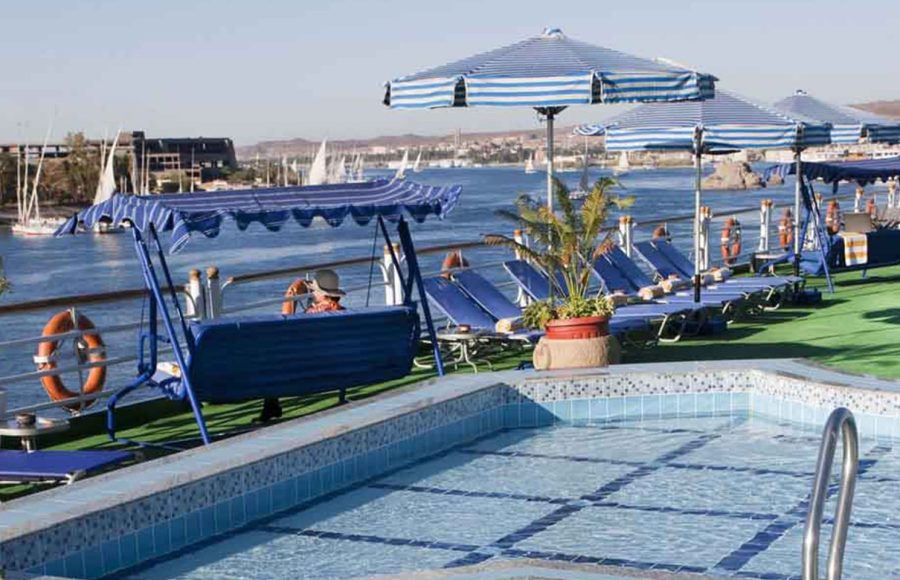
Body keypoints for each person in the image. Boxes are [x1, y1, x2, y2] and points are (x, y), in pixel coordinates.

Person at [258, 269, 346, 422]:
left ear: (320, 292)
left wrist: (291, 293)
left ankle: (271, 405)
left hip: (307, 369)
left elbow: (287, 327)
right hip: (338, 364)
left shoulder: (313, 313)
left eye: (314, 290)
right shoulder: (344, 313)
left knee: (271, 358)